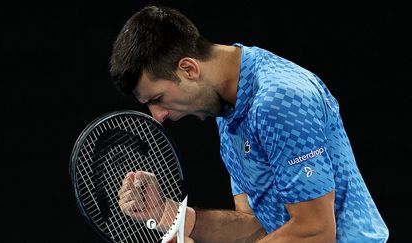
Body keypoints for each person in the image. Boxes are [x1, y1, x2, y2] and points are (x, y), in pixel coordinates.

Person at [111, 5, 389, 243]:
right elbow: (258, 227)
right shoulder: (226, 106)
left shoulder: (279, 100)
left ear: (189, 69)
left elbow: (315, 232)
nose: (158, 115)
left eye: (157, 98)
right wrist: (169, 214)